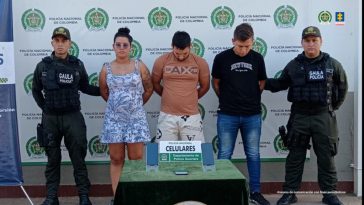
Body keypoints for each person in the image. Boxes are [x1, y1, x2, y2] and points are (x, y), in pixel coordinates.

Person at [264, 26, 348, 205]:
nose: (311, 44)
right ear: (302, 42)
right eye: (307, 40)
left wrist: (331, 108)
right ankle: (289, 193)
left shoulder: (332, 64)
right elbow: (280, 83)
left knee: (326, 157)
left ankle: (329, 194)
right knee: (295, 157)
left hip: (323, 116)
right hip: (299, 117)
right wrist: (260, 82)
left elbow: (343, 89)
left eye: (314, 40)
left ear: (320, 41)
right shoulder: (294, 64)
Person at [32, 27, 100, 205]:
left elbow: (85, 87)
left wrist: (106, 91)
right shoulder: (42, 66)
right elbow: (35, 90)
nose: (60, 44)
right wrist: (45, 108)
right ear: (52, 43)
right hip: (50, 119)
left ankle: (84, 197)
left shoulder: (77, 64)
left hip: (72, 117)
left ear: (69, 43)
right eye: (57, 41)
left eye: (64, 41)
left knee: (78, 158)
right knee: (52, 160)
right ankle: (51, 197)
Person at [211, 23, 270, 205]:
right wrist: (229, 100)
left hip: (252, 115)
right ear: (233, 41)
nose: (244, 50)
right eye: (240, 46)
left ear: (253, 42)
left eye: (247, 46)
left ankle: (255, 192)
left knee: (253, 154)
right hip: (227, 114)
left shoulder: (258, 58)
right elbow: (216, 83)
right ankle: (222, 194)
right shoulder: (221, 58)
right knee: (224, 154)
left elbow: (261, 82)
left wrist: (250, 99)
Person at [99, 27, 153, 203]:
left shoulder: (140, 66)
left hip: (135, 120)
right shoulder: (106, 68)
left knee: (136, 159)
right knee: (116, 159)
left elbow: (149, 88)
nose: (121, 47)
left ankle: (136, 197)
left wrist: (134, 106)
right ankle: (118, 198)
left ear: (131, 47)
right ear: (113, 47)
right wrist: (119, 107)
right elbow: (104, 92)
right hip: (114, 121)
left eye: (125, 45)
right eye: (118, 45)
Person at [151, 31, 210, 142]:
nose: (181, 57)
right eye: (177, 53)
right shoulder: (161, 61)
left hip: (192, 116)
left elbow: (205, 86)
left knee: (195, 154)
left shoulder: (200, 62)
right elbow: (154, 83)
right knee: (163, 154)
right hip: (167, 115)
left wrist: (190, 98)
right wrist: (167, 94)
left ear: (190, 46)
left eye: (185, 53)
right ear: (172, 46)